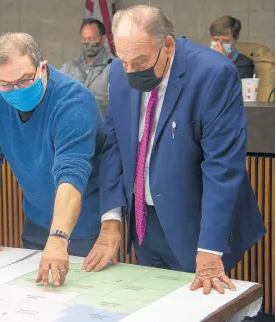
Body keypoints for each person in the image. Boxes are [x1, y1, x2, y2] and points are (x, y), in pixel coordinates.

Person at [84, 6, 266, 295]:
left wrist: (209, 249)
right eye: (123, 60)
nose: (129, 71)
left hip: (197, 222)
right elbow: (114, 148)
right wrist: (110, 220)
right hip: (144, 222)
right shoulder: (120, 72)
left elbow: (222, 166)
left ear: (167, 46)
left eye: (140, 60)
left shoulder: (213, 75)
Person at [0, 33, 106, 287]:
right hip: (35, 218)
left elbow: (71, 173)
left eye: (24, 80)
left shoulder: (73, 101)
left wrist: (58, 237)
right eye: (6, 84)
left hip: (81, 225)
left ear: (42, 68)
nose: (15, 90)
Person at [61, 18, 113, 116]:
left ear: (103, 39)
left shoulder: (113, 68)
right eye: (84, 39)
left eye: (92, 39)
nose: (87, 43)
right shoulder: (68, 68)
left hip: (101, 128)